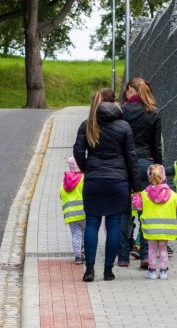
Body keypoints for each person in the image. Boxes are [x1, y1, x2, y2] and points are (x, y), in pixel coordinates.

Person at [73, 89, 140, 282]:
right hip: (118, 182)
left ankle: (90, 270)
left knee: (92, 224)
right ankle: (109, 270)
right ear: (114, 104)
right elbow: (131, 157)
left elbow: (78, 152)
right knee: (113, 226)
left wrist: (87, 169)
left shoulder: (88, 125)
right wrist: (136, 185)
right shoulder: (124, 126)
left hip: (94, 181)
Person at [121, 77, 162, 268]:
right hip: (147, 163)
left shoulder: (122, 111)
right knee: (146, 211)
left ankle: (122, 256)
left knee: (123, 211)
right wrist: (158, 169)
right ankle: (146, 254)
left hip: (125, 163)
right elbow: (156, 146)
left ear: (130, 89)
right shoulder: (154, 113)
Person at [132, 164, 177, 280]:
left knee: (151, 249)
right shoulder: (173, 194)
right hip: (166, 229)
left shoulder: (144, 194)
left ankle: (152, 272)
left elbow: (138, 207)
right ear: (163, 176)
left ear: (149, 176)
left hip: (150, 228)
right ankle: (163, 272)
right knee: (163, 250)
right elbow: (175, 207)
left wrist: (135, 197)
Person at [59, 156, 85, 264]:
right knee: (85, 232)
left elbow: (61, 195)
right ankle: (84, 250)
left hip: (70, 214)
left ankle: (78, 256)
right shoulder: (83, 179)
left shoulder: (65, 181)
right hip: (83, 213)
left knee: (75, 234)